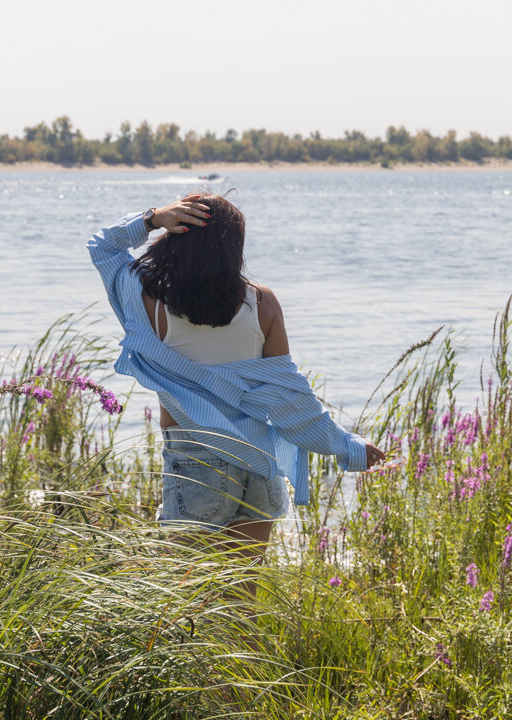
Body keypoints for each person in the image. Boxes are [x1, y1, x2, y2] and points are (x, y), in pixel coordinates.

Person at [87, 192, 385, 571]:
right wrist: (348, 446)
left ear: (177, 234)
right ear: (235, 249)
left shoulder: (147, 299)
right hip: (259, 463)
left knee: (183, 595)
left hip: (194, 459)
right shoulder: (262, 304)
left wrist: (152, 218)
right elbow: (292, 400)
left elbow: (102, 246)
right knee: (241, 600)